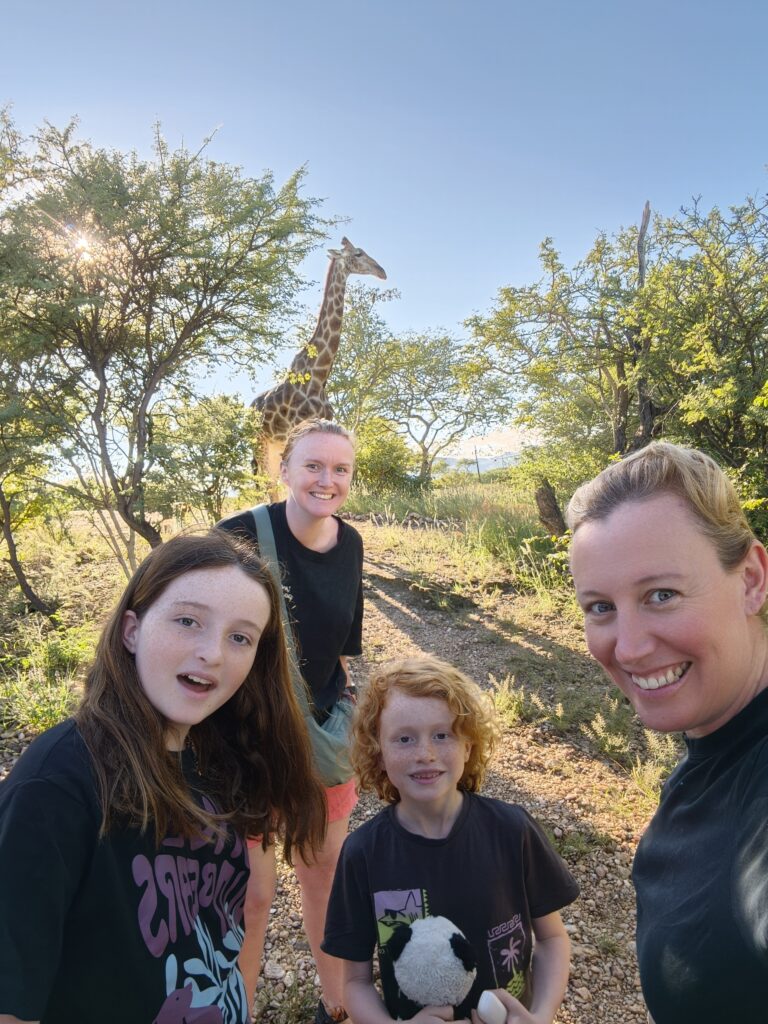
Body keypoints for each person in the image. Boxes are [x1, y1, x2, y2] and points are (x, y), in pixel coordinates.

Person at [0, 531, 327, 1024]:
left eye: (240, 637)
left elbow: (219, 933)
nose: (213, 653)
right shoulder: (57, 787)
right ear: (132, 630)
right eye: (188, 621)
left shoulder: (217, 760)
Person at [567, 441, 768, 1024]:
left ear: (751, 579)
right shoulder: (715, 748)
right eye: (600, 607)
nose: (627, 648)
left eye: (662, 595)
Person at [322, 655, 579, 1024]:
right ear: (378, 754)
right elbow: (356, 981)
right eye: (404, 738)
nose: (425, 754)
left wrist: (540, 1016)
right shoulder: (363, 853)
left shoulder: (512, 830)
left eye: (442, 735)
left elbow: (553, 940)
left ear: (468, 747)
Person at [219, 417, 364, 1023]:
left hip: (323, 737)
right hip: (246, 740)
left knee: (323, 873)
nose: (325, 480)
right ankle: (238, 1008)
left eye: (340, 470)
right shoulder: (236, 536)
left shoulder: (351, 543)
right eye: (312, 465)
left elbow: (339, 650)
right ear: (283, 469)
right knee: (251, 892)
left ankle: (339, 1003)